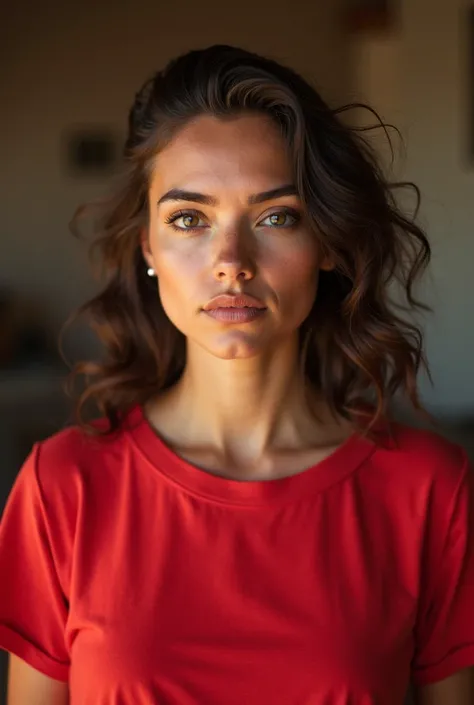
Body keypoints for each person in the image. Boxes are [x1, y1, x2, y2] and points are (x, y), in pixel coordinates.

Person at [0, 45, 473, 705]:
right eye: (189, 219)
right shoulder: (62, 487)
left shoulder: (430, 491)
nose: (231, 261)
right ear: (148, 247)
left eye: (275, 216)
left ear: (329, 242)